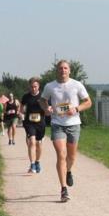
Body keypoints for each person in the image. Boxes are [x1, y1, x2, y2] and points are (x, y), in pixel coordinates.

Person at [41, 60, 92, 202]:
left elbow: (88, 102)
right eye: (60, 68)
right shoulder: (50, 86)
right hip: (57, 124)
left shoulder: (77, 85)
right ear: (56, 71)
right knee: (61, 154)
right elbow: (43, 100)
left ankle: (68, 171)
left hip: (74, 124)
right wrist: (47, 108)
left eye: (65, 68)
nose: (63, 70)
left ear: (69, 71)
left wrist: (76, 109)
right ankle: (63, 189)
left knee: (71, 157)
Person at [19, 78, 48, 173]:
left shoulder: (43, 97)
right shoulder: (26, 97)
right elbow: (21, 108)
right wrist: (21, 114)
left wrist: (49, 110)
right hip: (29, 123)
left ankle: (37, 162)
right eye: (32, 87)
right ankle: (32, 165)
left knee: (39, 144)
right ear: (29, 87)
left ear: (38, 86)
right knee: (32, 142)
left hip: (41, 123)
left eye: (35, 86)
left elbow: (48, 108)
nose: (33, 88)